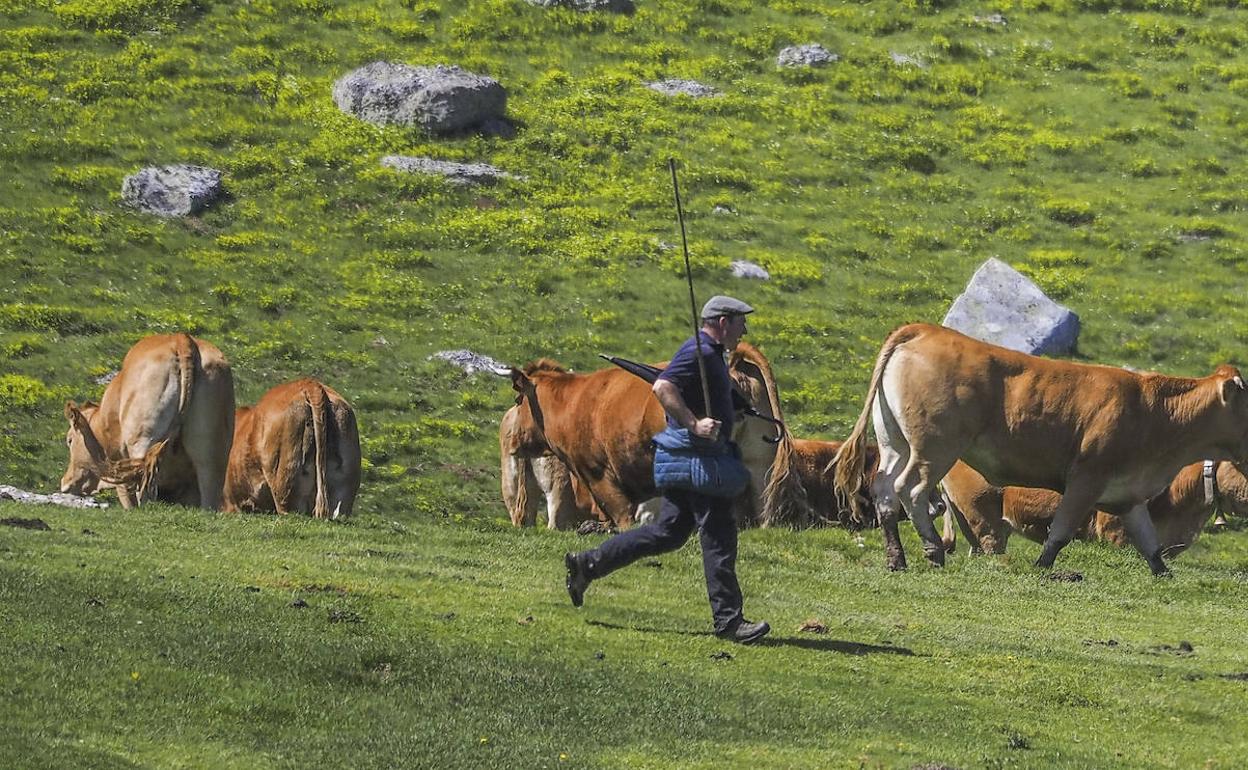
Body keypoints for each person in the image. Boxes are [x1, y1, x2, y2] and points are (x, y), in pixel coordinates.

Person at [563, 295, 770, 644]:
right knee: (719, 537)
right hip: (698, 461)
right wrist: (695, 423)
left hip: (689, 461)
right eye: (740, 321)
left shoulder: (709, 354)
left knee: (667, 533)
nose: (744, 328)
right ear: (723, 322)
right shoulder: (701, 352)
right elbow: (663, 386)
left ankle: (588, 564)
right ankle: (729, 622)